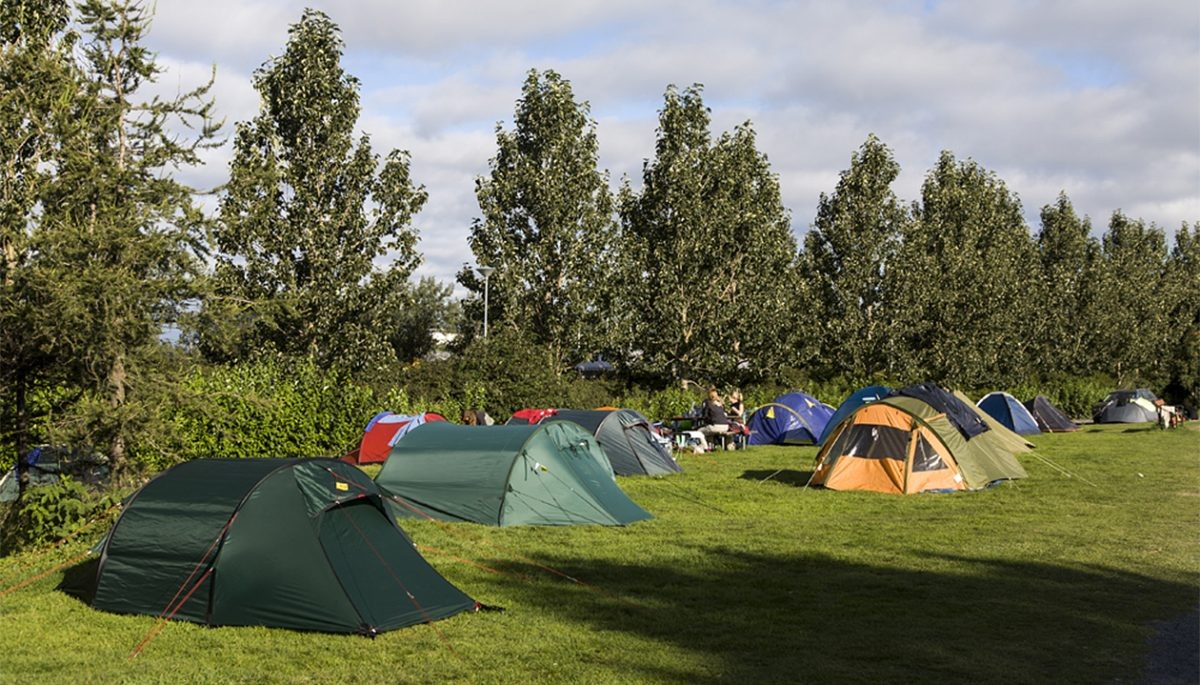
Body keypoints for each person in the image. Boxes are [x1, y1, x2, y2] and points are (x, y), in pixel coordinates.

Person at [697, 387, 732, 451]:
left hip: (716, 426)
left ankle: (705, 446)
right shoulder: (720, 405)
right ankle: (711, 446)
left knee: (699, 431)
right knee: (709, 430)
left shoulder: (708, 404)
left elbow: (705, 415)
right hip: (726, 426)